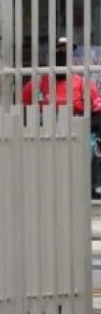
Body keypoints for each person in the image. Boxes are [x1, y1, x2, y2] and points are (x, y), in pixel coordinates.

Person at [21, 38, 101, 198]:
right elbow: (23, 107)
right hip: (44, 132)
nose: (62, 55)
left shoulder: (83, 83)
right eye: (59, 51)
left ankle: (91, 188)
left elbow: (97, 106)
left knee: (93, 149)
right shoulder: (37, 83)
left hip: (76, 131)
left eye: (66, 52)